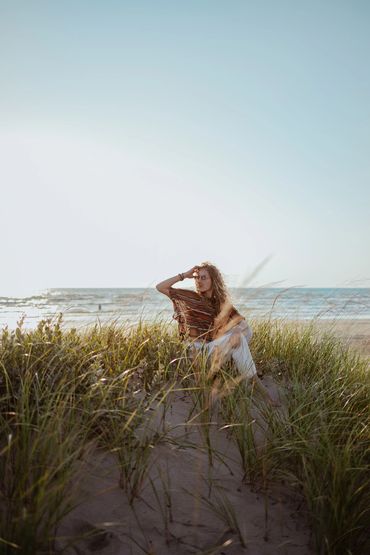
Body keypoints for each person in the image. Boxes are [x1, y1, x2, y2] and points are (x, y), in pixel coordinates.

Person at [156, 262, 279, 406]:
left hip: (213, 349)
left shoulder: (220, 304)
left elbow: (242, 323)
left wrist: (236, 330)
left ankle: (239, 374)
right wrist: (184, 275)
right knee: (237, 338)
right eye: (197, 278)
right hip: (196, 351)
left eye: (204, 277)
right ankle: (257, 386)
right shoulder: (189, 297)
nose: (199, 281)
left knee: (243, 332)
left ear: (213, 280)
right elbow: (160, 287)